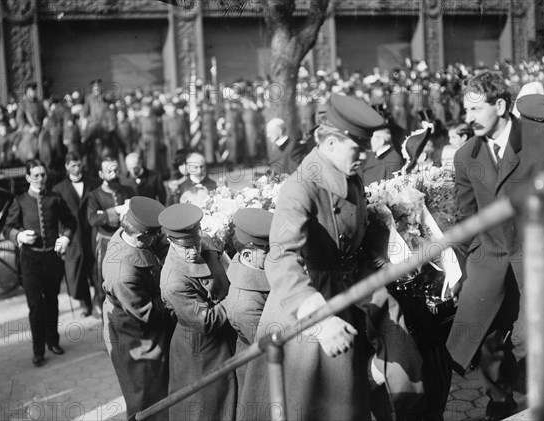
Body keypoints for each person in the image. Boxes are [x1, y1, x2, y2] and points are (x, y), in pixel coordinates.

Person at [239, 93, 423, 421]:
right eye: (358, 147)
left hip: (348, 292)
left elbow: (355, 240)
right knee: (316, 404)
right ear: (330, 142)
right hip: (305, 308)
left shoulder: (349, 176)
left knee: (396, 367)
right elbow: (281, 258)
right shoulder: (301, 187)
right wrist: (319, 319)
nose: (365, 155)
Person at [447, 71, 544, 420]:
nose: (468, 118)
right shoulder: (465, 157)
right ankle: (499, 398)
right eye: (466, 110)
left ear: (501, 105)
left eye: (476, 109)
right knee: (487, 337)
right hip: (491, 257)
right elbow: (468, 215)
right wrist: (475, 258)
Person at [159, 203, 236, 421]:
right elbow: (206, 321)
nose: (193, 251)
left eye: (195, 243)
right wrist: (237, 299)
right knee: (206, 407)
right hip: (200, 349)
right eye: (186, 247)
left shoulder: (206, 242)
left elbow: (225, 266)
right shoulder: (173, 281)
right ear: (170, 241)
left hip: (225, 336)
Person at [102, 196, 174, 421]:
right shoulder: (122, 273)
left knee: (159, 385)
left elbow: (160, 245)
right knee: (144, 392)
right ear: (141, 235)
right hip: (133, 332)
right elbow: (148, 312)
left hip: (139, 319)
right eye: (155, 234)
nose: (158, 237)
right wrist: (177, 299)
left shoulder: (133, 234)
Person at [3, 159, 77, 366]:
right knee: (36, 306)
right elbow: (7, 228)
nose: (40, 179)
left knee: (52, 301)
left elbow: (71, 221)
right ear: (27, 177)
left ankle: (53, 340)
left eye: (43, 175)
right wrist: (19, 236)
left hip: (51, 258)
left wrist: (66, 237)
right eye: (35, 175)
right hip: (30, 260)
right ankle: (38, 350)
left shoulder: (55, 198)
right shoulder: (20, 201)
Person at [221, 208, 273, 394]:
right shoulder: (244, 303)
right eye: (267, 249)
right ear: (246, 255)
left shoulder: (252, 265)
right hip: (265, 371)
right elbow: (271, 345)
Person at [53, 152, 100, 317]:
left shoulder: (94, 183)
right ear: (67, 167)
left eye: (79, 164)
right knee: (77, 272)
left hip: (93, 232)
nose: (77, 168)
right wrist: (62, 234)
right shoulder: (59, 189)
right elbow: (57, 215)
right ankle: (85, 303)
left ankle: (98, 301)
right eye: (73, 165)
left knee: (96, 268)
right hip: (74, 235)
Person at [87, 156, 135, 317]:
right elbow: (93, 218)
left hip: (127, 240)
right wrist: (115, 211)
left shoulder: (128, 190)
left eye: (116, 170)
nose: (113, 174)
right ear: (101, 174)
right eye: (109, 171)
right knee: (104, 277)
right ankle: (103, 307)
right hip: (106, 241)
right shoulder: (94, 195)